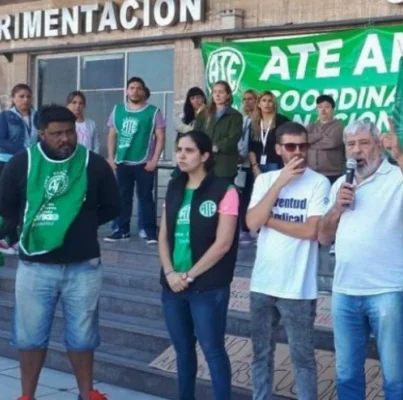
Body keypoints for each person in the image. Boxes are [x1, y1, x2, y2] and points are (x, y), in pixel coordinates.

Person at [0, 105, 119, 400]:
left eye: (69, 132)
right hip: (34, 266)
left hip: (84, 266)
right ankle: (27, 395)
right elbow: (7, 206)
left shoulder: (94, 164)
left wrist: (80, 224)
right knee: (29, 337)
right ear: (41, 134)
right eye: (57, 134)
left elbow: (113, 206)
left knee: (83, 336)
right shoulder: (20, 163)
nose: (65, 139)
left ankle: (86, 393)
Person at [318, 119, 403, 399]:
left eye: (363, 143)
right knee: (347, 375)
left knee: (394, 377)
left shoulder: (396, 177)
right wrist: (336, 209)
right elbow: (322, 237)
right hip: (345, 292)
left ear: (379, 145)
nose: (356, 150)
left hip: (386, 292)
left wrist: (402, 157)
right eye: (351, 144)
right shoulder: (339, 185)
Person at [246, 122, 330, 400]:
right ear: (278, 148)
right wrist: (279, 183)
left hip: (298, 288)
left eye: (303, 146)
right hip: (263, 284)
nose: (298, 152)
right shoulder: (265, 181)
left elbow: (311, 231)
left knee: (303, 360)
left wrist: (269, 219)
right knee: (261, 355)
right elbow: (251, 223)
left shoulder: (318, 182)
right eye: (291, 146)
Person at [159, 130, 239, 400]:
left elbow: (223, 243)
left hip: (207, 286)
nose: (181, 155)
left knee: (213, 350)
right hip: (173, 285)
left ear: (205, 155)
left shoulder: (225, 190)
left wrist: (188, 275)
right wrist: (170, 272)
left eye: (189, 150)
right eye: (179, 149)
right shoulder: (174, 186)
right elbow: (163, 234)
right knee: (182, 350)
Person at [104, 77, 166, 244]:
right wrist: (110, 157)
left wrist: (154, 160)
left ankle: (150, 232)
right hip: (122, 161)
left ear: (143, 91)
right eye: (132, 87)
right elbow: (111, 134)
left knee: (145, 197)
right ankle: (121, 230)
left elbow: (160, 137)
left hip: (144, 162)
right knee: (122, 197)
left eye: (138, 88)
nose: (135, 91)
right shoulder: (117, 110)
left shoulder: (153, 111)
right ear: (127, 90)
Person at [0, 84, 39, 255]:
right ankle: (6, 239)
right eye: (21, 96)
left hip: (30, 163)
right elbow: (1, 139)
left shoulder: (37, 117)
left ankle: (15, 240)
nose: (25, 100)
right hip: (7, 162)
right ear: (13, 98)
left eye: (28, 96)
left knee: (23, 202)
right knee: (9, 202)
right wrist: (22, 150)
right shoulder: (6, 116)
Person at [194, 81, 243, 182]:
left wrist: (215, 147)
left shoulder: (235, 116)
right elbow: (196, 135)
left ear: (228, 95)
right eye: (215, 92)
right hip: (204, 163)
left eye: (221, 92)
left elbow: (233, 138)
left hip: (224, 165)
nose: (217, 95)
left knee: (223, 195)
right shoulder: (203, 114)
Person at [248, 91, 289, 176]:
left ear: (274, 104)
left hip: (276, 164)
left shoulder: (282, 121)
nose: (267, 103)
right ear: (259, 104)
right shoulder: (254, 123)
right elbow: (251, 147)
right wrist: (255, 167)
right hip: (257, 164)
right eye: (264, 100)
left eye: (270, 101)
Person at [307, 94, 345, 185]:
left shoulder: (339, 126)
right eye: (320, 107)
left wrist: (312, 141)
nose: (323, 110)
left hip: (333, 174)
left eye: (327, 107)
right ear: (317, 110)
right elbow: (304, 140)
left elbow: (332, 142)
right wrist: (321, 136)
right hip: (312, 173)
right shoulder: (311, 126)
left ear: (333, 110)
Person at [239, 89, 258, 246]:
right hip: (243, 164)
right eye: (245, 99)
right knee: (243, 198)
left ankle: (259, 230)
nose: (247, 102)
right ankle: (244, 230)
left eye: (251, 99)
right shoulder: (243, 119)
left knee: (258, 197)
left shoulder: (260, 120)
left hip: (258, 165)